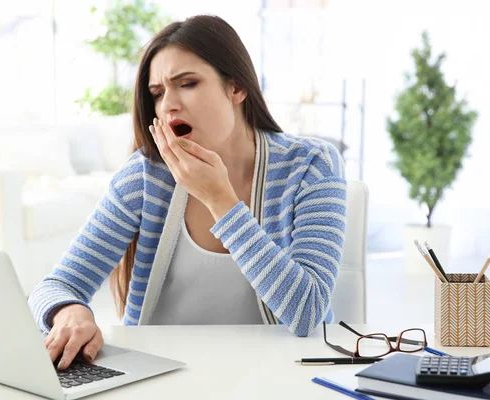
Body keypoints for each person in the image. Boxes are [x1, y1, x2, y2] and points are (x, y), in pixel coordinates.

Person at [28, 14, 347, 371]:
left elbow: (308, 313)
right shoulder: (146, 177)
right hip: (160, 376)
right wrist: (70, 312)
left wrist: (219, 199)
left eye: (188, 83)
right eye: (158, 93)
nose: (168, 106)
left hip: (277, 374)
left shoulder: (310, 167)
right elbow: (56, 286)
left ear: (237, 88)